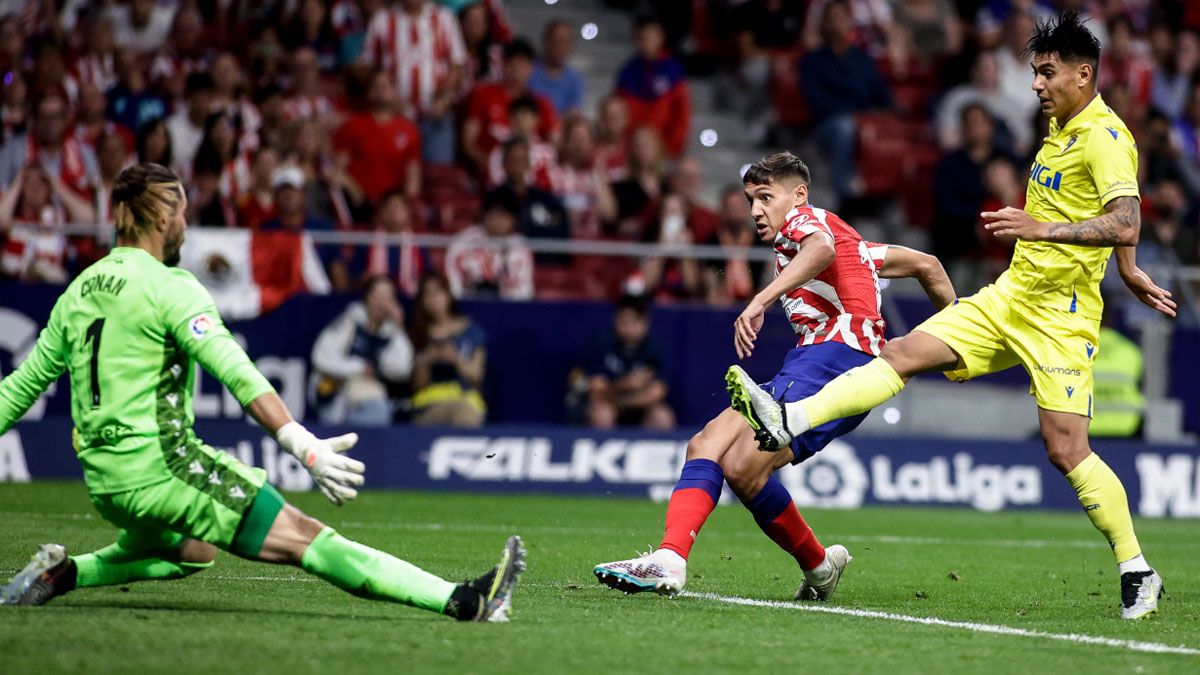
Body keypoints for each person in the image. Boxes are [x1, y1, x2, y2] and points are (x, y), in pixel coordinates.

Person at [726, 14, 1176, 621]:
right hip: (1011, 294)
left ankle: (1137, 570)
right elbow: (1112, 214)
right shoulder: (1058, 127)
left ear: (1083, 72)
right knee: (901, 353)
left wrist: (1050, 231)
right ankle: (789, 418)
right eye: (1035, 72)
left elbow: (1126, 219)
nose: (1038, 84)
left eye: (1047, 73)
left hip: (1061, 317)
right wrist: (1125, 267)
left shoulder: (1105, 135)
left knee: (1066, 449)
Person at [0, 163, 524, 621]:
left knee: (195, 550)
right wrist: (300, 442)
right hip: (162, 472)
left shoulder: (79, 290)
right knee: (308, 539)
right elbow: (236, 370)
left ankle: (63, 573)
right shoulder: (169, 286)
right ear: (162, 217)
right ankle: (467, 601)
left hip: (106, 484)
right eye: (181, 210)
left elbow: (21, 387)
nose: (185, 222)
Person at [594, 151, 955, 599]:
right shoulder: (853, 245)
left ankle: (670, 561)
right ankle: (817, 566)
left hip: (834, 359)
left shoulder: (806, 224)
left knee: (737, 460)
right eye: (750, 200)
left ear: (798, 195)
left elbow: (820, 247)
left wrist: (759, 301)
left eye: (766, 197)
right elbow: (929, 266)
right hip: (818, 362)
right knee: (718, 452)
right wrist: (955, 344)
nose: (755, 211)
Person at [311, 275, 414, 426]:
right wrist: (359, 367)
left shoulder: (391, 333)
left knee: (378, 407)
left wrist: (399, 329)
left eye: (388, 297)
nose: (382, 303)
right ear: (367, 298)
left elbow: (401, 369)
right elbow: (321, 358)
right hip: (333, 387)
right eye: (378, 296)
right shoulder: (349, 322)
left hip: (369, 394)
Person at [582, 293, 675, 430]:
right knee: (602, 414)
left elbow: (657, 392)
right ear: (615, 320)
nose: (629, 327)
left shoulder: (654, 350)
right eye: (624, 321)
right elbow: (596, 390)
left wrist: (623, 403)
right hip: (607, 404)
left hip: (639, 408)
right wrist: (625, 384)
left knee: (662, 417)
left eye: (635, 321)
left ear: (645, 323)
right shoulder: (601, 344)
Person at [409, 274, 488, 427]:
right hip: (428, 405)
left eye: (438, 292)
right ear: (422, 301)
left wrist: (455, 358)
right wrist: (427, 361)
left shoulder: (471, 331)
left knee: (462, 411)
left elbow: (476, 377)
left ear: (448, 295)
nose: (434, 299)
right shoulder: (417, 333)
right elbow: (416, 385)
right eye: (428, 294)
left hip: (465, 400)